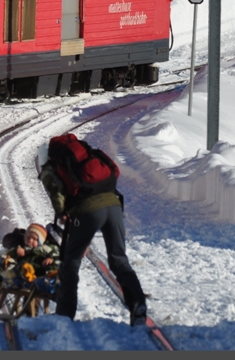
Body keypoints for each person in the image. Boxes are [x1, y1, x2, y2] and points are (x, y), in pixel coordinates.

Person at [38, 134, 147, 326]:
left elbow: (57, 195)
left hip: (87, 211)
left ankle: (64, 315)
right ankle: (138, 304)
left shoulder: (52, 166)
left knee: (70, 262)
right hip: (114, 205)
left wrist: (63, 212)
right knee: (119, 259)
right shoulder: (86, 155)